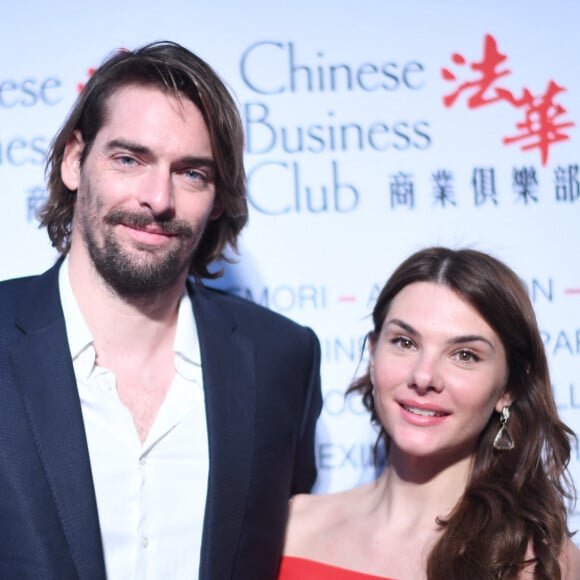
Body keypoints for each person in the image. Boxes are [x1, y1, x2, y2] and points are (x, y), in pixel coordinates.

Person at [0, 41, 322, 580]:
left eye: (191, 173)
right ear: (75, 161)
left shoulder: (281, 359)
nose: (158, 198)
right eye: (129, 159)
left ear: (218, 197)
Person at [280, 247, 580, 579]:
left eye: (465, 355)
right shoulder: (290, 525)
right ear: (373, 353)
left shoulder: (540, 563)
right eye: (405, 342)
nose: (423, 377)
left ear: (509, 387)